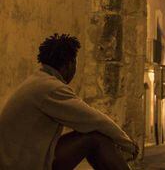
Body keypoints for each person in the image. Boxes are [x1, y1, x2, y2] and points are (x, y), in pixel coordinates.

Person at [0, 34, 138, 170]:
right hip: (22, 164)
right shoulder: (52, 88)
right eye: (75, 63)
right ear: (69, 64)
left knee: (93, 135)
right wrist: (128, 144)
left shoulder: (38, 80)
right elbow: (95, 120)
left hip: (16, 160)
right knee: (96, 138)